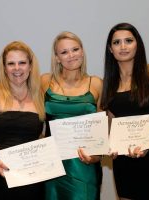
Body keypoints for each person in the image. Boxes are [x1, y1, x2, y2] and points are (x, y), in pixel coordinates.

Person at [100, 22, 149, 200]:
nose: (123, 46)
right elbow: (110, 123)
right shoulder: (108, 83)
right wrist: (109, 144)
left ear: (138, 44)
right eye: (116, 42)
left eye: (128, 40)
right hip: (124, 160)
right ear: (110, 49)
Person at [0, 41, 45, 200]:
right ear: (4, 68)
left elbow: (42, 136)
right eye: (11, 63)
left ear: (30, 66)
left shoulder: (40, 96)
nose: (17, 68)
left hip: (29, 180)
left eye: (22, 63)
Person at [41, 31, 103, 200]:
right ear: (57, 57)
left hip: (84, 165)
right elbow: (36, 121)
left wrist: (97, 155)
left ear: (82, 51)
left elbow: (103, 127)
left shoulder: (96, 83)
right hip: (52, 165)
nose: (71, 55)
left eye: (75, 49)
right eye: (64, 52)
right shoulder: (45, 81)